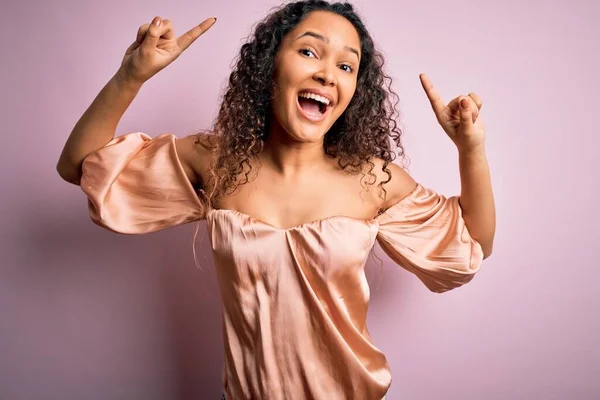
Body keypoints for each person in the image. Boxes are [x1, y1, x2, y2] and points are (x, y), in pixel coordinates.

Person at [57, 1, 496, 399]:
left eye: (347, 66)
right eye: (309, 52)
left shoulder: (372, 179)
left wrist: (469, 148)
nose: (327, 73)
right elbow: (81, 167)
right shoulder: (216, 162)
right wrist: (131, 75)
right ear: (269, 67)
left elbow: (473, 244)